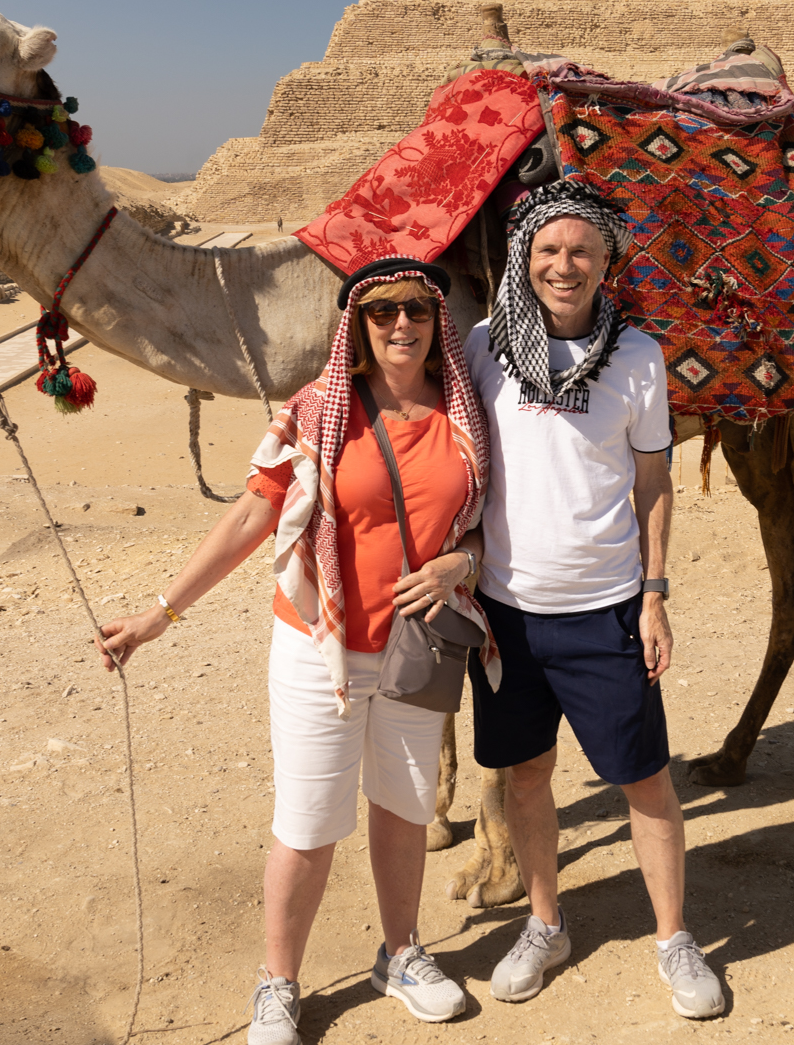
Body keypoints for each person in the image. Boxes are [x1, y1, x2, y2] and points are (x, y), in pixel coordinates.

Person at [98, 257, 493, 1045]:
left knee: (405, 811)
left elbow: (486, 522)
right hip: (324, 649)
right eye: (383, 314)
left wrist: (462, 562)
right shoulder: (318, 412)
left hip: (419, 647)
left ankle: (402, 952)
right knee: (308, 824)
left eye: (417, 309)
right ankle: (278, 982)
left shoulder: (466, 415)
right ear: (358, 326)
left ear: (436, 318)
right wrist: (160, 613)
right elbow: (251, 519)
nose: (402, 326)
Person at [461, 180, 725, 1019]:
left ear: (607, 260)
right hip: (507, 613)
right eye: (546, 250)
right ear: (522, 260)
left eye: (580, 251)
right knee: (528, 776)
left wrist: (654, 594)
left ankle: (674, 937)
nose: (563, 266)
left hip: (606, 608)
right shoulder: (479, 349)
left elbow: (654, 477)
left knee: (643, 780)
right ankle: (546, 923)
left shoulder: (639, 356)